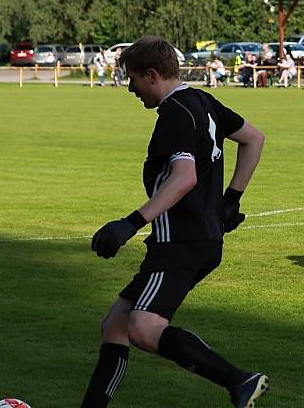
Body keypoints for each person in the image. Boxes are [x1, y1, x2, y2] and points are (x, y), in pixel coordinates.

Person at [80, 36, 268, 408]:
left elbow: (185, 177)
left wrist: (131, 223)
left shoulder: (174, 112)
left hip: (181, 243)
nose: (130, 88)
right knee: (115, 324)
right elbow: (254, 139)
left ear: (152, 75)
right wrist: (232, 198)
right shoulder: (203, 101)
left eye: (131, 78)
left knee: (144, 328)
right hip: (198, 239)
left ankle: (238, 379)